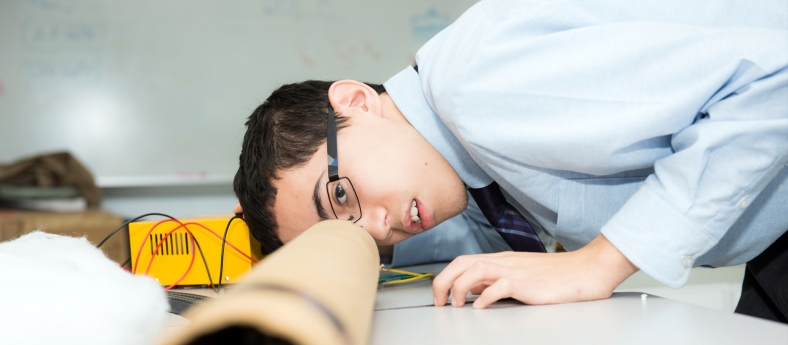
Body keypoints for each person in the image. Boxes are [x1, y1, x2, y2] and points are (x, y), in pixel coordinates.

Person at [234, 0, 788, 322]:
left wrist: (596, 264)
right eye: (364, 237)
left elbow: (771, 83)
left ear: (354, 101)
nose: (383, 226)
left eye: (338, 196)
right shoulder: (466, 154)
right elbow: (484, 236)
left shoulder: (479, 88)